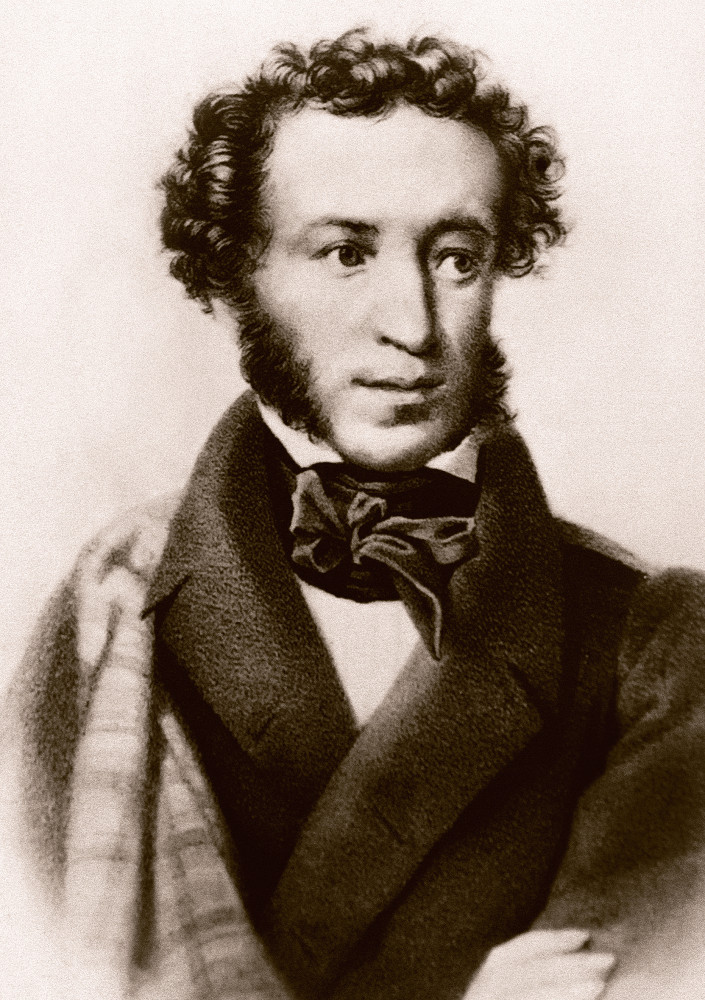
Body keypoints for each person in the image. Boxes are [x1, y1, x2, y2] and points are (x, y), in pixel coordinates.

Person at [6, 28, 705, 1000]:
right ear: (235, 280)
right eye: (345, 254)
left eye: (456, 258)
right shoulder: (112, 610)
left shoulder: (652, 641)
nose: (411, 325)